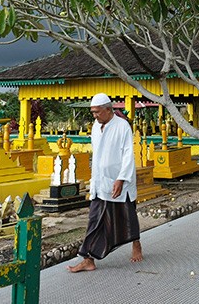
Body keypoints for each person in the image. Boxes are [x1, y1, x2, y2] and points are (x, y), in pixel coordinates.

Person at [68, 93, 142, 273]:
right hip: (100, 181)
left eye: (97, 112)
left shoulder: (122, 126)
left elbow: (128, 154)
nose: (94, 116)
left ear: (108, 110)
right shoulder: (95, 126)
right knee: (94, 218)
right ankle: (88, 259)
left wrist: (121, 179)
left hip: (119, 180)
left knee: (128, 215)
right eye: (92, 112)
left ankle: (136, 243)